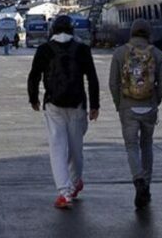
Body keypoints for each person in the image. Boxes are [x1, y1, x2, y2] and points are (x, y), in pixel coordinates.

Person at [27, 14, 100, 209]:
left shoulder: (44, 49)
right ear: (72, 30)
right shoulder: (82, 49)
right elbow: (92, 78)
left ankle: (64, 192)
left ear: (52, 30)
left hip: (53, 105)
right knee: (76, 149)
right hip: (77, 105)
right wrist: (95, 105)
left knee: (57, 147)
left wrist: (33, 98)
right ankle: (75, 183)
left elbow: (34, 75)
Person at [109, 19, 162, 208]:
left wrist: (119, 104)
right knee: (147, 145)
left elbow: (113, 83)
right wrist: (155, 100)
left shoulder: (119, 53)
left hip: (128, 107)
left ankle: (138, 181)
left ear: (132, 33)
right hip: (149, 106)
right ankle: (147, 185)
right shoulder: (158, 54)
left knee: (131, 146)